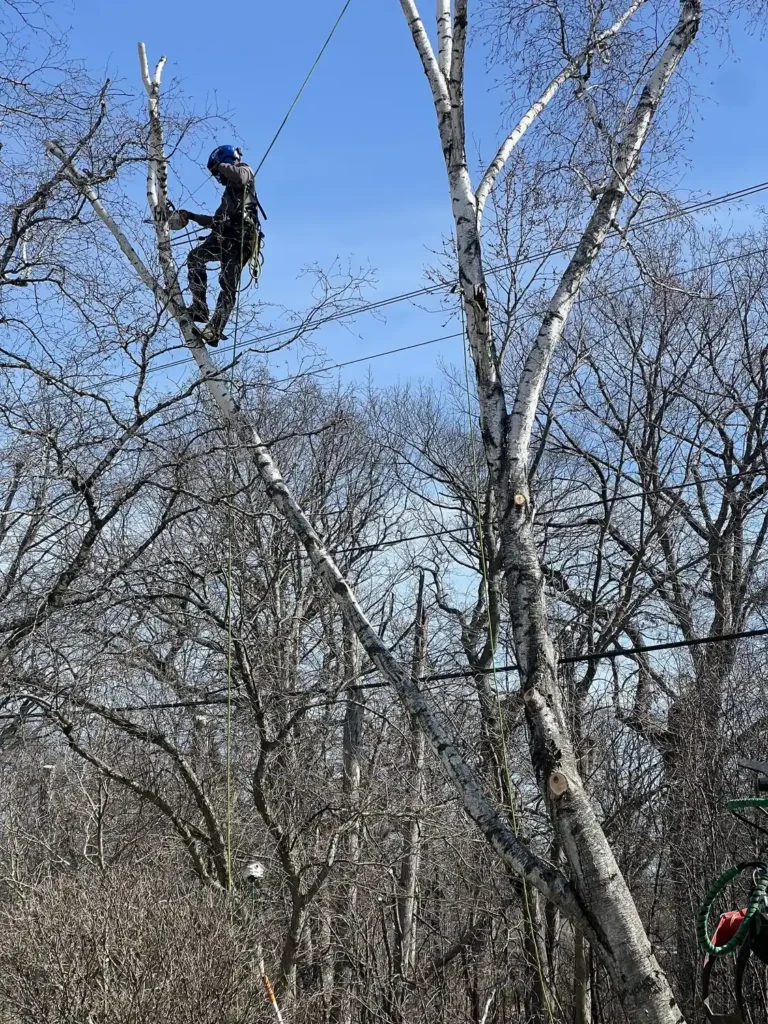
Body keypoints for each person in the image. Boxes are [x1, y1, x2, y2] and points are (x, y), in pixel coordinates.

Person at [179, 145, 262, 347]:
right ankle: (200, 308)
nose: (218, 176)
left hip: (240, 239)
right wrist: (191, 216)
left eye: (218, 171)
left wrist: (222, 164)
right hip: (225, 239)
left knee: (227, 285)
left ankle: (215, 330)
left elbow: (241, 177)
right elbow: (215, 221)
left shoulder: (245, 172)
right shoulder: (228, 196)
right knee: (195, 257)